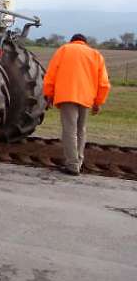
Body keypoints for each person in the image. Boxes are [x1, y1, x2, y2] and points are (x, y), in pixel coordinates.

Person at [43, 33, 110, 175]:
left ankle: (72, 165)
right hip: (86, 98)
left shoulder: (64, 50)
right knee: (81, 130)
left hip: (66, 96)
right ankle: (78, 162)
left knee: (69, 130)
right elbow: (103, 83)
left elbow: (51, 75)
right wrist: (98, 102)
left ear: (72, 41)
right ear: (84, 42)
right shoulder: (95, 54)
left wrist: (49, 95)